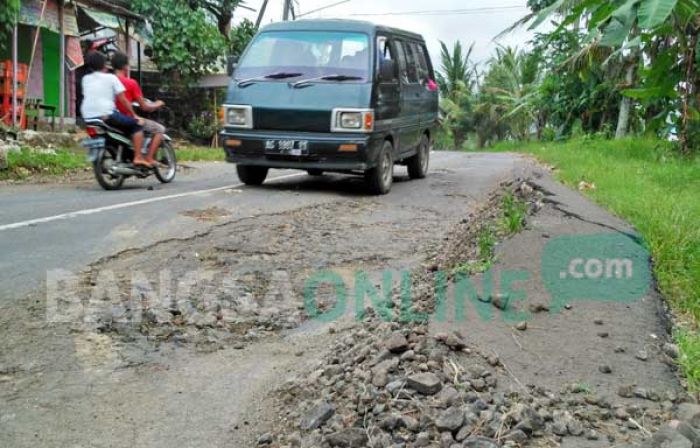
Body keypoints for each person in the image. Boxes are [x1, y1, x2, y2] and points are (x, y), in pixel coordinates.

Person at [80, 51, 150, 167]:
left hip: (88, 118)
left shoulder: (85, 79)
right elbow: (123, 99)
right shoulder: (111, 78)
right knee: (137, 124)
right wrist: (135, 115)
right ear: (104, 65)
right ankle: (138, 157)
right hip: (107, 115)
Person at [111, 52, 167, 167]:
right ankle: (149, 158)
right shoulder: (131, 83)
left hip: (110, 118)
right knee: (160, 129)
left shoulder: (107, 81)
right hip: (126, 118)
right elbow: (145, 107)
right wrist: (158, 104)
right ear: (125, 66)